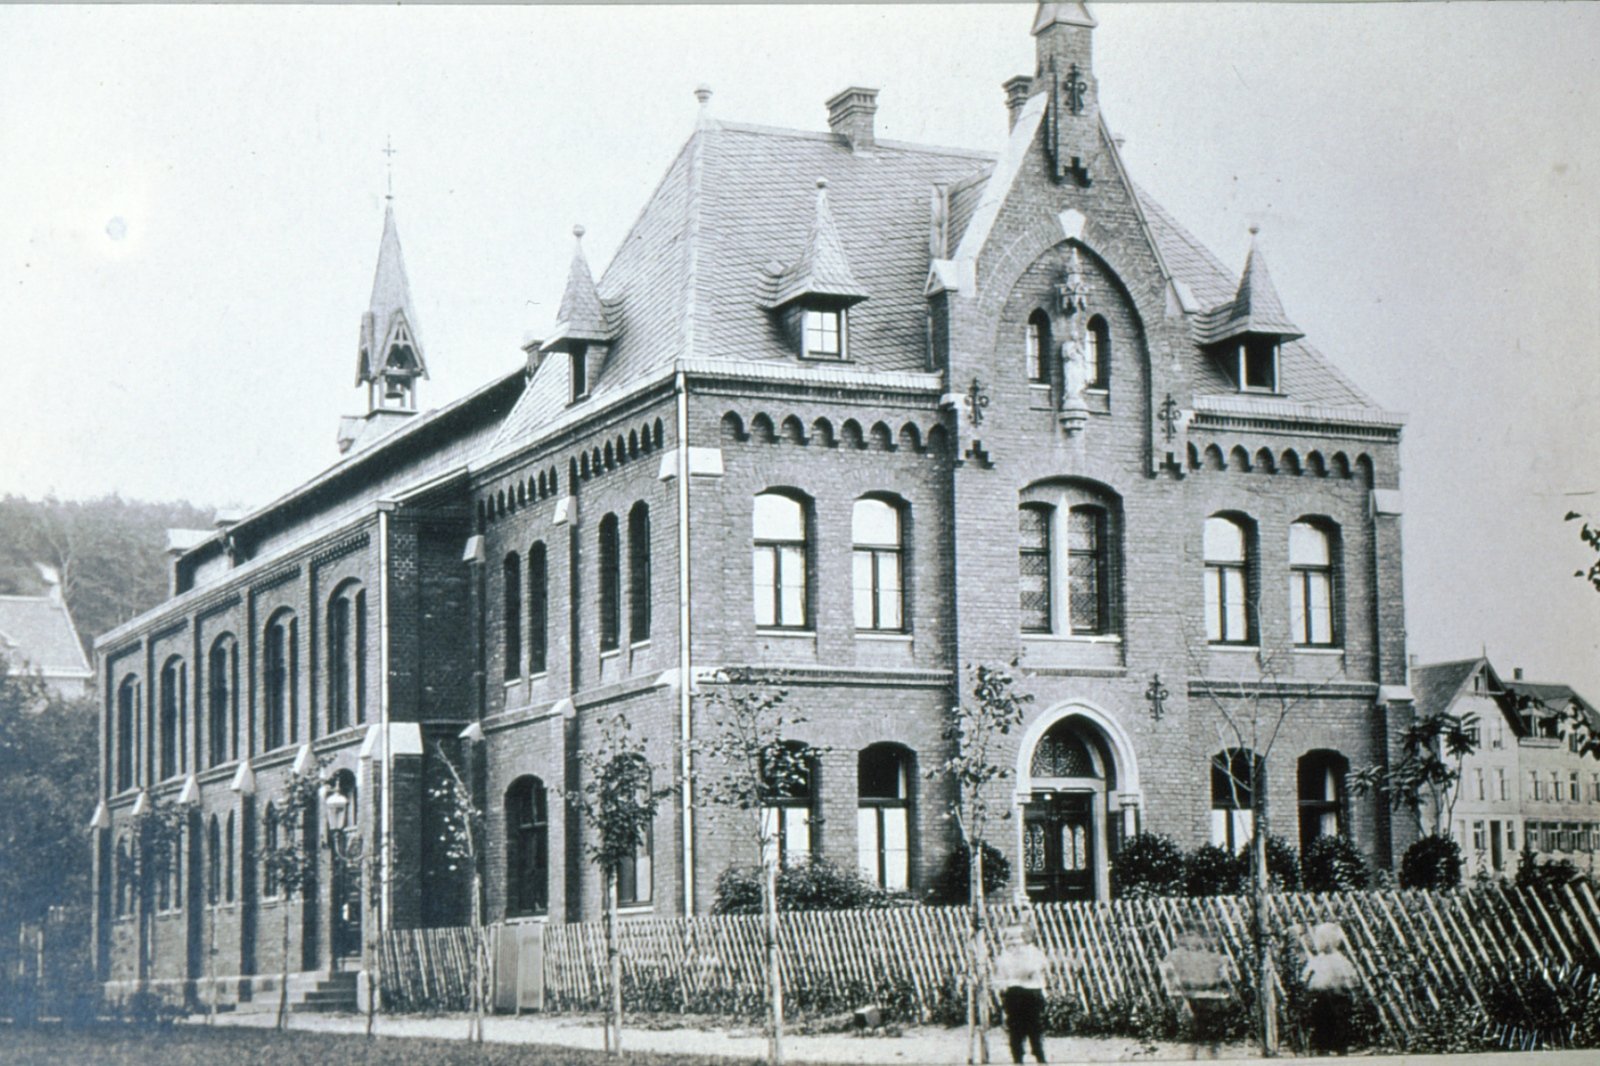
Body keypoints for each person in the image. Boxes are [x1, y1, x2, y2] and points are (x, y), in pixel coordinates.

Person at [1159, 924, 1231, 1060]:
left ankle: (1204, 1049)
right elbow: (1222, 981)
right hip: (1199, 995)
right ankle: (1209, 1050)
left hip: (1196, 996)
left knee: (1203, 1031)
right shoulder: (1182, 956)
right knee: (1209, 1031)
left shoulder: (1175, 956)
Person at [992, 922, 1048, 1064]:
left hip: (1031, 992)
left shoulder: (1033, 953)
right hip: (1013, 993)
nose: (1013, 943)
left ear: (1027, 938)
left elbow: (1033, 969)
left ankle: (1039, 1056)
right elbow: (1001, 975)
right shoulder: (1005, 956)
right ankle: (1018, 1058)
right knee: (1015, 1029)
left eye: (1017, 938)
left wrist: (1017, 970)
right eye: (1009, 938)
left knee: (1034, 1027)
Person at [1301, 921, 1361, 1055]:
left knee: (1337, 1021)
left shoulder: (1339, 959)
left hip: (1337, 995)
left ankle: (1339, 1047)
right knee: (1322, 1021)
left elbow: (1351, 977)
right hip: (1322, 996)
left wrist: (1352, 989)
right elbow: (1306, 976)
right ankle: (1324, 1047)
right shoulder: (1319, 960)